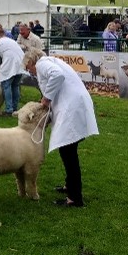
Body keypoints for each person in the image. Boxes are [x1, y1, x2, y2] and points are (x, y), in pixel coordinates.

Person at [23, 49, 99, 208]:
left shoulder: (42, 63)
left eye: (28, 67)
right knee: (68, 148)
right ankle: (69, 186)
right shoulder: (51, 62)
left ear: (32, 62)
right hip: (74, 104)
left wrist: (46, 99)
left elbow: (57, 76)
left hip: (72, 107)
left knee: (68, 150)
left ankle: (75, 198)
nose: (28, 71)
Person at [0, 24, 24, 116]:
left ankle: (9, 109)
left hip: (10, 63)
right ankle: (15, 108)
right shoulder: (12, 41)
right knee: (15, 85)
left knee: (6, 85)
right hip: (21, 63)